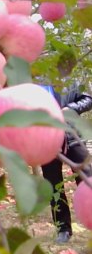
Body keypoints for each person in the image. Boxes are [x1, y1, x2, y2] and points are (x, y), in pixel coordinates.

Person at [39, 83, 92, 244]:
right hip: (46, 140)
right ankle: (63, 230)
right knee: (54, 186)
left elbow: (88, 98)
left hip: (73, 137)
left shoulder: (71, 78)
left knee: (88, 179)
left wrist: (71, 108)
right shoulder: (32, 79)